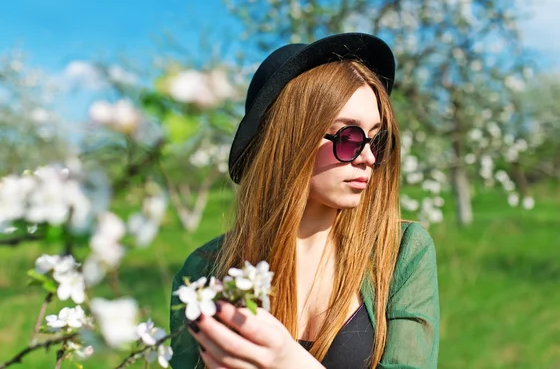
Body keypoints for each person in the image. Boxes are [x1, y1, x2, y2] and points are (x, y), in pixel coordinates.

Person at [169, 32, 440, 369]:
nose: (368, 157)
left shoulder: (401, 253)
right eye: (349, 137)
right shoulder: (204, 271)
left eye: (377, 140)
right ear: (292, 140)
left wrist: (288, 362)